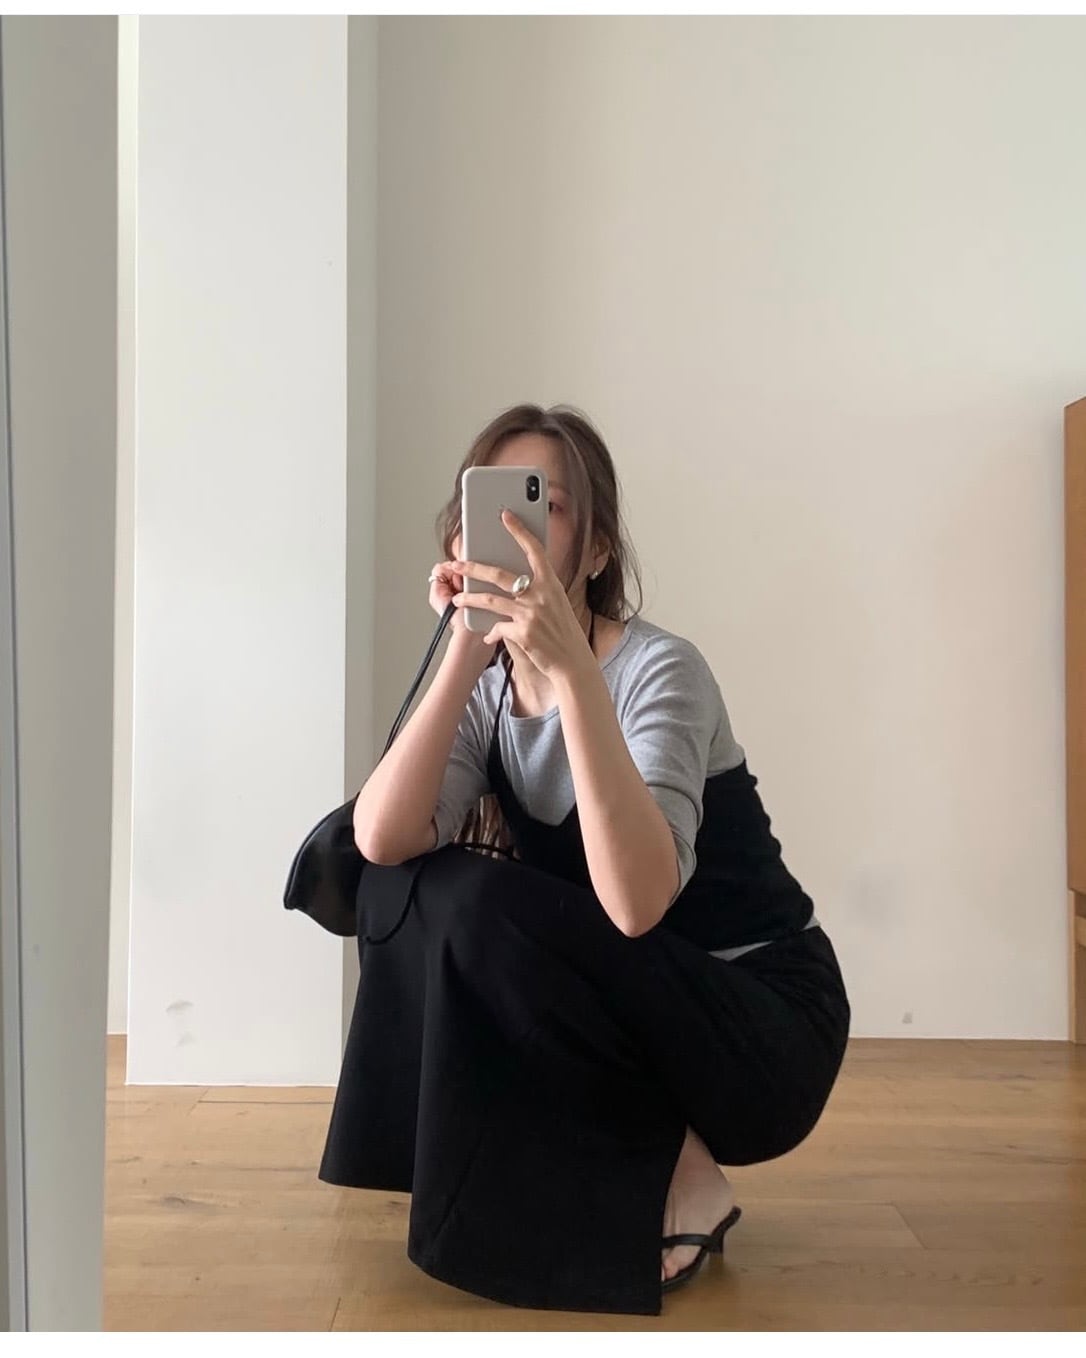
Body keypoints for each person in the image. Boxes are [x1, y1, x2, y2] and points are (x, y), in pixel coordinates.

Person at [317, 403, 851, 1317]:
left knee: (484, 901)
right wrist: (464, 646)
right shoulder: (487, 689)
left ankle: (682, 1171)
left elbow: (635, 904)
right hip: (642, 1015)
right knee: (420, 883)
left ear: (597, 549)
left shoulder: (660, 671)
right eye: (488, 504)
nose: (512, 527)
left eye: (544, 504)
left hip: (758, 1023)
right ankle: (546, 1168)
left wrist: (572, 674)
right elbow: (380, 840)